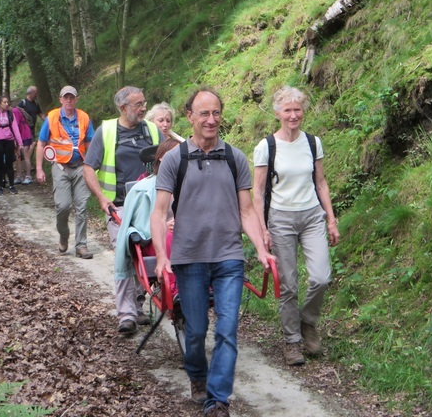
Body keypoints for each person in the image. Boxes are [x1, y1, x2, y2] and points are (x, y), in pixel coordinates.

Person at [150, 87, 273, 417]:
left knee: (227, 330)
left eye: (216, 112)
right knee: (195, 331)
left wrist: (261, 248)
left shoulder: (235, 157)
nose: (211, 119)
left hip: (229, 256)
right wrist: (162, 255)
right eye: (204, 113)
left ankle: (218, 399)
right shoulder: (175, 159)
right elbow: (159, 212)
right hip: (189, 259)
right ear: (189, 116)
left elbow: (247, 211)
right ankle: (197, 375)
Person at [252, 85, 339, 366]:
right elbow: (258, 191)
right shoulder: (267, 146)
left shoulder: (313, 142)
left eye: (297, 109)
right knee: (289, 285)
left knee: (321, 277)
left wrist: (332, 219)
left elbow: (321, 182)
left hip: (312, 216)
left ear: (303, 111)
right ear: (278, 113)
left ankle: (307, 322)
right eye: (287, 110)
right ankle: (292, 342)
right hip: (281, 218)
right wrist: (262, 228)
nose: (293, 115)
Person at [83, 86, 163, 334]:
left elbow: (168, 162)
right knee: (124, 254)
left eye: (144, 103)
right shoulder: (106, 131)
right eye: (138, 104)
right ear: (123, 107)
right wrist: (101, 199)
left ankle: (138, 306)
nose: (143, 108)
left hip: (149, 205)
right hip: (117, 205)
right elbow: (88, 168)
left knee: (145, 255)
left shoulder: (152, 130)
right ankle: (126, 314)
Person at [114, 138, 180, 335]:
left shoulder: (193, 184)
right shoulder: (143, 189)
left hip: (187, 236)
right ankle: (176, 291)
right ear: (161, 160)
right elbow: (139, 223)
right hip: (154, 240)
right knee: (169, 237)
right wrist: (162, 226)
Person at [36, 86, 94, 259]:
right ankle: (63, 235)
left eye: (72, 98)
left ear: (76, 99)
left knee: (82, 207)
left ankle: (81, 245)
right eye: (66, 98)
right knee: (63, 206)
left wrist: (91, 165)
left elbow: (91, 143)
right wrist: (39, 169)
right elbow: (41, 143)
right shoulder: (52, 117)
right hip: (60, 167)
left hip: (80, 167)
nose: (69, 101)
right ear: (61, 99)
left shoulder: (83, 117)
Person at [0, 96, 23, 195]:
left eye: (8, 102)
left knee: (9, 164)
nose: (7, 104)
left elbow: (15, 128)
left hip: (9, 140)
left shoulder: (10, 114)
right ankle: (0, 186)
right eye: (4, 102)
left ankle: (12, 185)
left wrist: (20, 143)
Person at [18, 86, 47, 181]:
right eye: (35, 92)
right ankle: (26, 165)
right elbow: (16, 113)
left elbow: (40, 114)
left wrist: (48, 121)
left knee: (32, 146)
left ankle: (27, 164)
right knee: (29, 147)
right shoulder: (23, 103)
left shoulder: (35, 103)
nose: (37, 94)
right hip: (23, 130)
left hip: (32, 129)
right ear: (30, 93)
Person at [12, 102, 34, 185]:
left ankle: (28, 176)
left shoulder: (14, 111)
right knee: (18, 156)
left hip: (25, 135)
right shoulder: (12, 111)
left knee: (25, 155)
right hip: (20, 136)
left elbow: (15, 125)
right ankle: (19, 176)